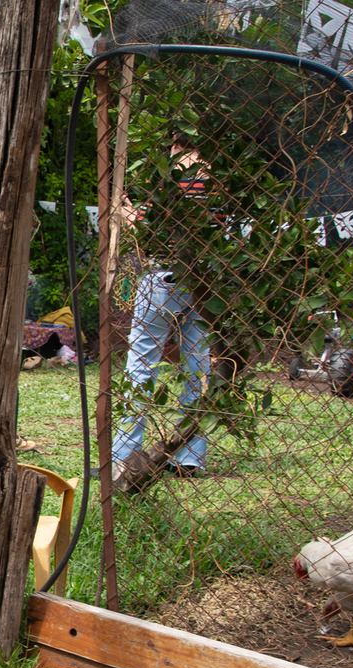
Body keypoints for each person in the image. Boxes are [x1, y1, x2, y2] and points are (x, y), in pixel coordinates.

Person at [111, 134, 211, 479]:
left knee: (141, 366)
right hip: (205, 279)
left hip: (163, 277)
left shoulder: (170, 179)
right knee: (198, 367)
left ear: (176, 143)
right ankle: (189, 456)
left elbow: (147, 230)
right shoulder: (220, 182)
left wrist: (124, 211)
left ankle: (124, 455)